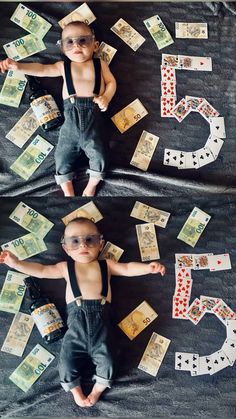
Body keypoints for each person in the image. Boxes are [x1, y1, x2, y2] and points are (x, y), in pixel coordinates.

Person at [0, 217, 166, 408]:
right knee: (66, 362)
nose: (83, 246)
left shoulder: (107, 265)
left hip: (102, 325)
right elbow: (41, 270)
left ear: (101, 243)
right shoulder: (65, 267)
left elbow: (128, 268)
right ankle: (76, 392)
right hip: (76, 327)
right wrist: (16, 263)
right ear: (65, 248)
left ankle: (97, 390)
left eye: (90, 240)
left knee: (109, 361)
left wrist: (148, 268)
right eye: (74, 241)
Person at [0, 21, 117, 197]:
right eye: (69, 42)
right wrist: (20, 66)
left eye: (82, 40)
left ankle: (92, 184)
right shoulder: (63, 66)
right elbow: (42, 69)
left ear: (95, 45)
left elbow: (111, 82)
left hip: (94, 118)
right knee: (61, 156)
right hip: (70, 122)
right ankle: (66, 187)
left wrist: (106, 97)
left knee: (100, 155)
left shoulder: (100, 64)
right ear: (62, 48)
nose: (76, 45)